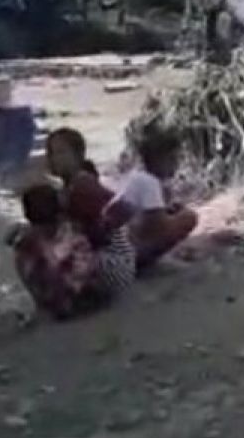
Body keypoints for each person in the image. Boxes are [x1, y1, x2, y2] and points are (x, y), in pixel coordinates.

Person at [44, 128, 136, 293]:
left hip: (113, 264)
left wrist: (97, 230)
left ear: (78, 156)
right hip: (111, 261)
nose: (54, 158)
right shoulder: (70, 187)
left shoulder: (82, 184)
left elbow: (123, 211)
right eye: (50, 153)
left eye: (60, 152)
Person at [13, 184, 109, 320]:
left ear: (28, 216)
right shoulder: (73, 230)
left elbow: (34, 284)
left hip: (59, 309)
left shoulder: (23, 247)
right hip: (88, 299)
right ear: (59, 211)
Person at [117, 127, 198, 272]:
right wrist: (179, 215)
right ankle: (145, 262)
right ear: (160, 159)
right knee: (189, 217)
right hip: (127, 252)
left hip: (124, 244)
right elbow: (158, 225)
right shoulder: (149, 183)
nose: (177, 164)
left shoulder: (138, 176)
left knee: (174, 213)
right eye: (173, 159)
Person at [205, 0, 234, 64]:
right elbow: (209, 25)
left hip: (224, 39)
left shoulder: (228, 9)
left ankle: (221, 57)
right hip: (217, 38)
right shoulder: (215, 9)